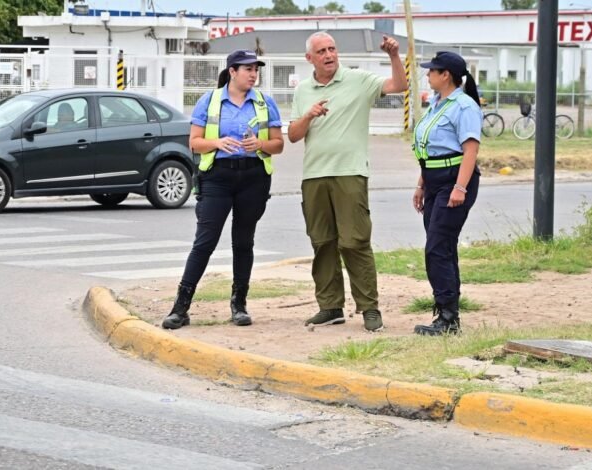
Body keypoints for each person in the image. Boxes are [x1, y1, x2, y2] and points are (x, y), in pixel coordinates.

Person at [288, 31, 407, 332]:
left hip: (350, 173)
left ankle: (369, 308)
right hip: (314, 175)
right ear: (309, 58)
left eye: (332, 49)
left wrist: (394, 56)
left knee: (354, 241)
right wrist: (309, 116)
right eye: (322, 51)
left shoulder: (358, 80)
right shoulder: (303, 90)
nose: (329, 55)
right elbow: (293, 135)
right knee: (322, 242)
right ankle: (330, 306)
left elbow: (399, 85)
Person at [162, 50, 284, 330]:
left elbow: (278, 144)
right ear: (232, 71)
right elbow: (194, 142)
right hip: (217, 177)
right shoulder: (210, 100)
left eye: (256, 69)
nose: (253, 74)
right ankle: (180, 308)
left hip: (253, 177)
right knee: (205, 241)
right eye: (248, 69)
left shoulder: (265, 103)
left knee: (243, 241)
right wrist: (217, 143)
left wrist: (260, 145)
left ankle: (239, 305)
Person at [411, 51, 482, 336]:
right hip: (434, 181)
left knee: (437, 248)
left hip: (454, 181)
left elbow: (470, 150)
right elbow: (430, 152)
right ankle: (447, 313)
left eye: (432, 70)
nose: (428, 74)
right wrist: (421, 185)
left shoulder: (464, 106)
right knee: (443, 247)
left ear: (446, 75)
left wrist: (460, 188)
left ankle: (448, 317)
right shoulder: (437, 104)